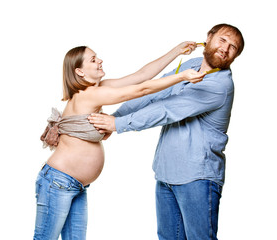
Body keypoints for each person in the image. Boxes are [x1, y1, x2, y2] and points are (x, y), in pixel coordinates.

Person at [33, 42, 206, 240]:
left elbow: (142, 76)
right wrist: (182, 76)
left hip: (75, 185)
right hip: (58, 182)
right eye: (93, 59)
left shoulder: (99, 89)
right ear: (79, 71)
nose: (100, 61)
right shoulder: (89, 95)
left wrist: (177, 51)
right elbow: (141, 90)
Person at [88, 23, 245, 240]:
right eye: (222, 40)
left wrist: (119, 124)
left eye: (233, 47)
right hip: (166, 173)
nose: (226, 48)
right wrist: (116, 117)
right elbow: (154, 92)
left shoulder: (219, 85)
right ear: (208, 38)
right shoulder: (191, 64)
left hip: (197, 178)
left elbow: (167, 109)